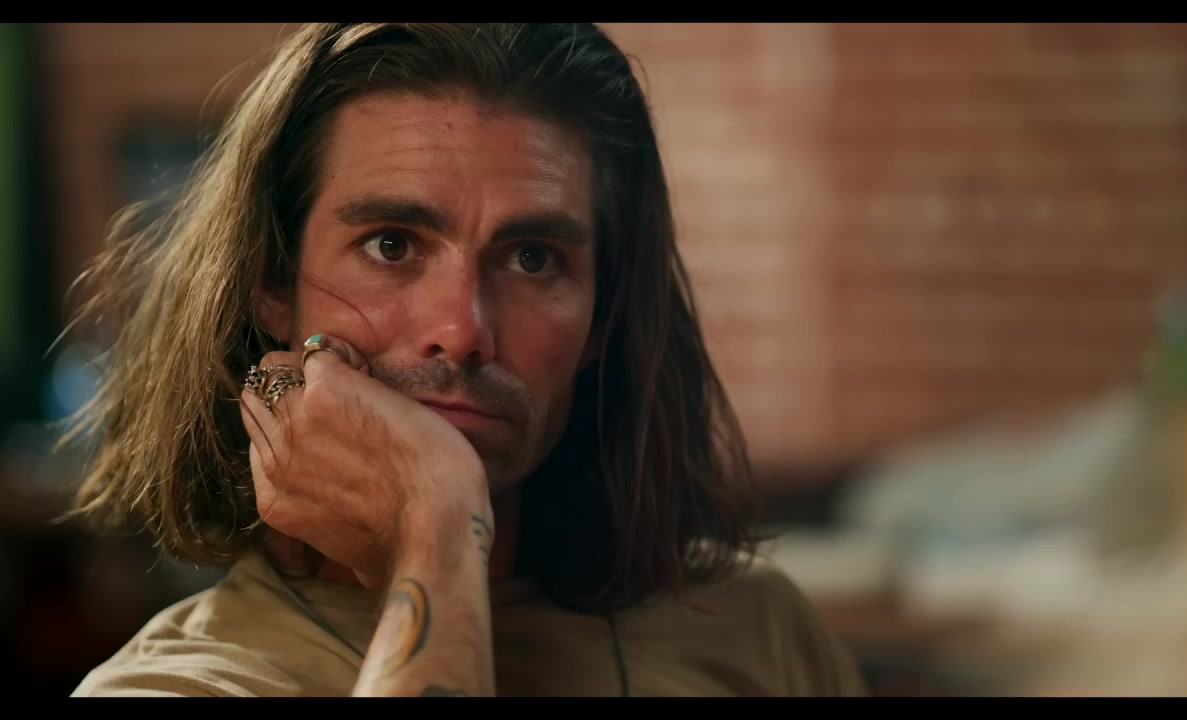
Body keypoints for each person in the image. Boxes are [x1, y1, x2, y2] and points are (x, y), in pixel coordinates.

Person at [61, 22, 865, 697]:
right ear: (272, 283)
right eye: (391, 245)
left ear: (603, 319)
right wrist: (436, 529)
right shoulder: (176, 685)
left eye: (533, 259)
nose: (462, 330)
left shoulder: (758, 633)